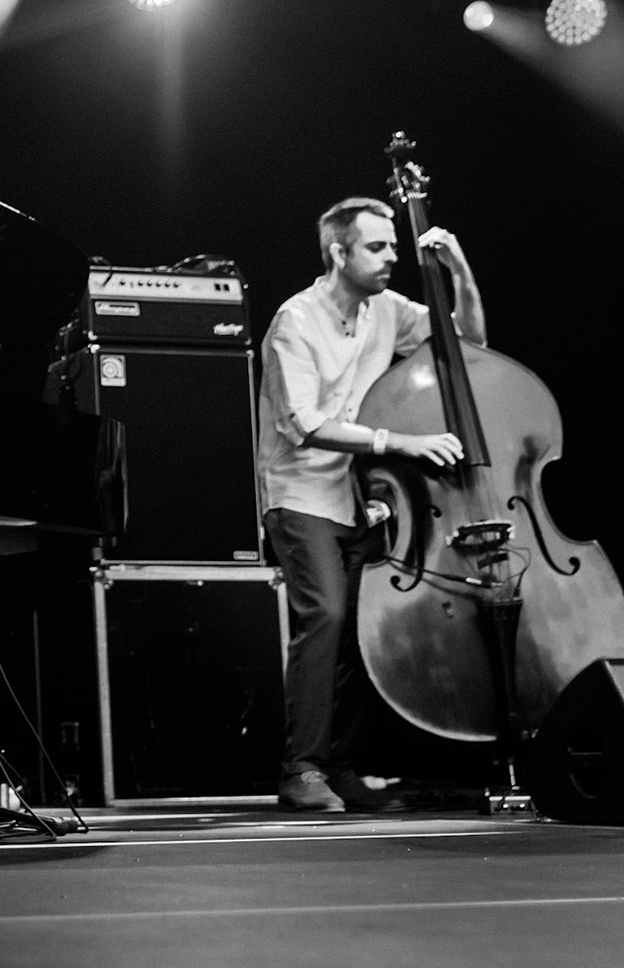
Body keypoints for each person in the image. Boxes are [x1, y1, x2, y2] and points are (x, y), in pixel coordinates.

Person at [255, 195, 484, 812]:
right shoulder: (295, 321)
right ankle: (300, 768)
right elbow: (303, 423)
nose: (392, 258)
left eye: (394, 246)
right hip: (299, 493)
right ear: (339, 252)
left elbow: (467, 346)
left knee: (362, 631)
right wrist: (401, 441)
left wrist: (458, 272)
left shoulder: (386, 310)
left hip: (360, 497)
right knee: (326, 616)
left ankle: (340, 766)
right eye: (377, 247)